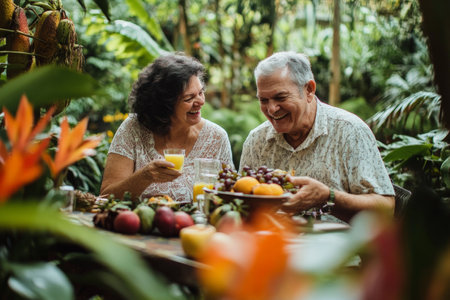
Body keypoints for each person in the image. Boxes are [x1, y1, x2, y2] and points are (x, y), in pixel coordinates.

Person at [239, 51, 395, 222]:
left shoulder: (350, 131)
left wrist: (329, 196)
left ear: (309, 90)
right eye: (263, 100)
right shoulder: (257, 141)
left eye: (280, 97)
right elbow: (241, 203)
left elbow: (386, 207)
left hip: (338, 246)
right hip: (271, 243)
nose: (272, 109)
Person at [101, 53, 233, 202]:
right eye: (189, 98)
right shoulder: (133, 128)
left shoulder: (216, 137)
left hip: (195, 225)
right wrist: (144, 177)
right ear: (164, 105)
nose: (200, 102)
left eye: (201, 92)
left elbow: (230, 197)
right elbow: (106, 196)